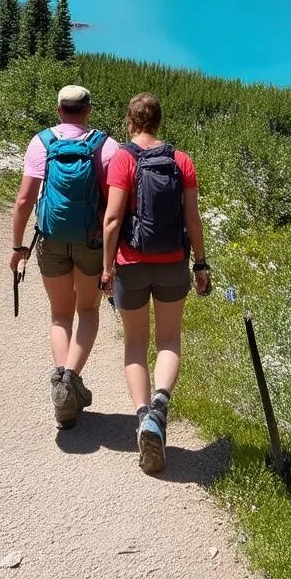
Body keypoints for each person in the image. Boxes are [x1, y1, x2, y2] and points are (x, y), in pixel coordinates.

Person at [101, 92, 211, 474]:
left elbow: (113, 219)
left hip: (130, 262)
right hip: (173, 262)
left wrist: (106, 268)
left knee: (135, 344)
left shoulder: (123, 159)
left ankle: (144, 415)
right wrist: (201, 264)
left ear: (130, 122)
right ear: (159, 122)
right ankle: (160, 408)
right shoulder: (182, 161)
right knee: (168, 339)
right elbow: (193, 220)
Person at [11, 84, 119, 429]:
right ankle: (70, 379)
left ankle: (63, 386)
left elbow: (24, 201)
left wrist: (18, 248)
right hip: (91, 242)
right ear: (87, 111)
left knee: (60, 316)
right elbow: (114, 205)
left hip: (51, 240)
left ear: (59, 110)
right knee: (87, 310)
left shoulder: (41, 142)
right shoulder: (106, 146)